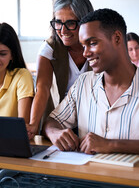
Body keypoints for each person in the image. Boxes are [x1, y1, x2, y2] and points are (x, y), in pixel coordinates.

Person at [43, 8, 139, 155]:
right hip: (84, 176)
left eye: (92, 43)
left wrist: (111, 145)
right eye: (83, 46)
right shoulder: (83, 83)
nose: (85, 53)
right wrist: (54, 132)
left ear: (117, 38)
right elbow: (52, 121)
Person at [27, 0, 94, 139]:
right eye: (58, 22)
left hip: (91, 120)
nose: (63, 30)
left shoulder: (96, 47)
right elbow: (42, 88)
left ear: (85, 21)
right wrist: (33, 124)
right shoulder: (50, 48)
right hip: (59, 121)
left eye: (70, 23)